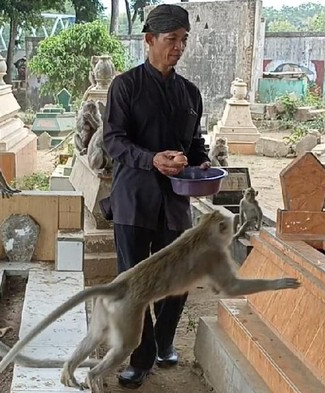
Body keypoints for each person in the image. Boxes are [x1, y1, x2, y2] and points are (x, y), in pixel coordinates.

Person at [101, 4, 211, 389]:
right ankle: (140, 356)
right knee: (134, 284)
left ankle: (164, 341)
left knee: (179, 277)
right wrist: (152, 159)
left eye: (183, 40)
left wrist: (200, 163)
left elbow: (195, 145)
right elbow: (113, 141)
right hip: (134, 198)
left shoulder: (190, 94)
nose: (178, 48)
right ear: (149, 40)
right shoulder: (126, 86)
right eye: (171, 40)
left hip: (176, 201)